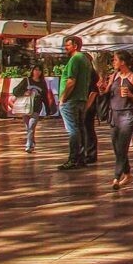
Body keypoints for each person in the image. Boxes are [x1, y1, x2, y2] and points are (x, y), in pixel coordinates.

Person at [102, 50, 133, 190]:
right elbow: (107, 92)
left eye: (115, 60)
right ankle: (128, 173)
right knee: (116, 147)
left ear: (123, 62)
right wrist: (101, 87)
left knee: (122, 146)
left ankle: (116, 177)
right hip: (114, 115)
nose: (113, 62)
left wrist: (131, 95)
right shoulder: (114, 76)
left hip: (127, 115)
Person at [57, 36, 92, 170]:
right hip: (81, 99)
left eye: (68, 45)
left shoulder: (75, 59)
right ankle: (81, 157)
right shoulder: (85, 60)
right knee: (80, 128)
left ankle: (73, 158)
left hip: (71, 100)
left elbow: (71, 81)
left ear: (75, 46)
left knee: (72, 130)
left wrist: (63, 97)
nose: (66, 48)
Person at [15, 65, 52, 153]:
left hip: (36, 108)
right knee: (28, 127)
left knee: (31, 127)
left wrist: (47, 110)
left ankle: (28, 145)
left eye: (39, 70)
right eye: (35, 70)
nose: (37, 72)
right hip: (26, 107)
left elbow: (45, 97)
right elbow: (15, 91)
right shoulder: (26, 81)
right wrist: (24, 92)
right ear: (32, 71)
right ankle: (32, 143)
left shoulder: (42, 83)